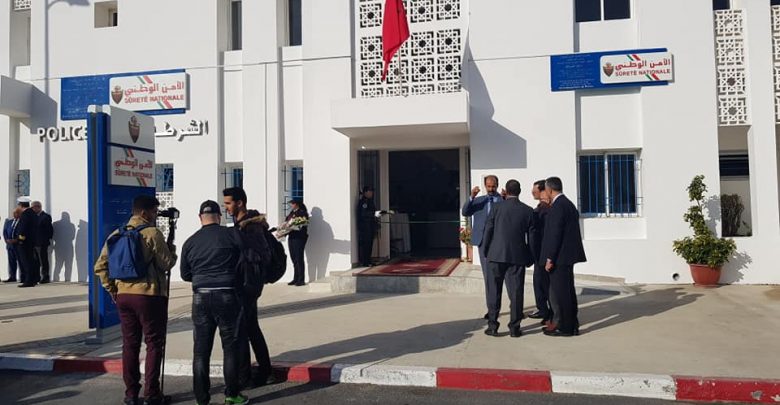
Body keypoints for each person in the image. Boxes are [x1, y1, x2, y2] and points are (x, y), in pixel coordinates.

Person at [93, 195, 178, 405]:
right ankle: (152, 393)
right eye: (154, 212)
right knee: (154, 343)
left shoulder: (116, 234)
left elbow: (100, 266)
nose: (156, 215)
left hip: (124, 297)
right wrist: (172, 249)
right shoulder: (152, 233)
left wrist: (113, 289)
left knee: (130, 345)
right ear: (144, 213)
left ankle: (131, 394)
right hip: (149, 296)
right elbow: (166, 263)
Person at [180, 200, 249, 405]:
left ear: (200, 217)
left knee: (201, 351)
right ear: (219, 217)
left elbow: (185, 274)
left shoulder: (190, 242)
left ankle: (202, 399)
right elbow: (245, 260)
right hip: (227, 294)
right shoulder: (231, 234)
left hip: (200, 296)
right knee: (230, 347)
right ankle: (232, 395)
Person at [222, 187, 274, 389]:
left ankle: (246, 378)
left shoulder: (250, 228)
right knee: (251, 328)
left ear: (240, 203)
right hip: (247, 284)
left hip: (247, 284)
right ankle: (265, 371)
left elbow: (256, 256)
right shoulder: (245, 225)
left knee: (241, 331)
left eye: (228, 203)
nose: (226, 207)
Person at [482, 180, 535, 337]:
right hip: (517, 256)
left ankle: (493, 326)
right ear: (520, 191)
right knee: (516, 292)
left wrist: (486, 250)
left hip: (496, 255)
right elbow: (532, 237)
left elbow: (488, 229)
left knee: (494, 291)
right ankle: (515, 328)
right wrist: (530, 256)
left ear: (506, 190)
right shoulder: (528, 211)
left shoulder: (496, 208)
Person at [540, 177, 587, 337]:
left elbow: (555, 234)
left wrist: (550, 258)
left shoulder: (558, 206)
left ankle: (565, 327)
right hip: (567, 256)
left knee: (562, 294)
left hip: (560, 258)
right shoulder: (568, 204)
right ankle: (572, 324)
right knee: (568, 291)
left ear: (550, 190)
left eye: (546, 190)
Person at [461, 175, 503, 319]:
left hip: (499, 242)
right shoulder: (479, 201)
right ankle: (492, 309)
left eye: (493, 186)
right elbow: (465, 212)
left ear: (497, 185)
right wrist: (471, 197)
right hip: (483, 242)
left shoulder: (502, 200)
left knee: (501, 276)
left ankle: (514, 309)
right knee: (488, 277)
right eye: (489, 186)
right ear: (485, 186)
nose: (491, 189)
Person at [528, 180, 552, 323]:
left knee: (542, 283)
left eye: (535, 190)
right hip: (540, 253)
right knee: (539, 282)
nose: (532, 192)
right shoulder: (541, 208)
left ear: (543, 191)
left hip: (542, 253)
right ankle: (543, 309)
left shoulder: (543, 210)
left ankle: (546, 311)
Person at [285, 199, 309, 286]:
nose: (291, 205)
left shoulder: (302, 212)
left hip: (299, 237)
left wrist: (292, 224)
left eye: (293, 203)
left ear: (297, 204)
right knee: (294, 258)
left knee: (299, 258)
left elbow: (304, 222)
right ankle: (296, 278)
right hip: (291, 237)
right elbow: (287, 222)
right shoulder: (291, 213)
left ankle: (301, 279)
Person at [15, 200, 39, 288]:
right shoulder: (33, 213)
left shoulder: (26, 214)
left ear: (21, 205)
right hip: (31, 241)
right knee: (31, 260)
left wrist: (20, 240)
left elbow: (23, 228)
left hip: (25, 241)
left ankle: (28, 280)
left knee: (26, 261)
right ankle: (33, 279)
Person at [32, 201, 53, 284]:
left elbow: (49, 230)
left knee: (43, 260)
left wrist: (45, 239)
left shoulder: (45, 217)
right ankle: (36, 277)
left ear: (38, 207)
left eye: (33, 208)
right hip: (34, 243)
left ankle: (45, 277)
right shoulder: (33, 217)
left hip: (42, 243)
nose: (32, 210)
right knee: (35, 261)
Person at [356, 186, 377, 267]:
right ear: (365, 192)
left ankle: (368, 260)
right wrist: (374, 214)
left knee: (370, 243)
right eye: (369, 191)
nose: (371, 193)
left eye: (372, 191)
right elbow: (363, 213)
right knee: (366, 243)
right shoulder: (363, 202)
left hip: (370, 225)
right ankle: (365, 261)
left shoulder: (370, 201)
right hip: (365, 226)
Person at [3, 209, 21, 283]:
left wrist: (17, 240)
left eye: (17, 213)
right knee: (11, 262)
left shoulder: (22, 222)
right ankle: (12, 276)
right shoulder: (9, 222)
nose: (15, 214)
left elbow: (23, 232)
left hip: (18, 245)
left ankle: (23, 277)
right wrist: (7, 240)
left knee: (21, 262)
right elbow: (4, 232)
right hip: (10, 245)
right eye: (14, 213)